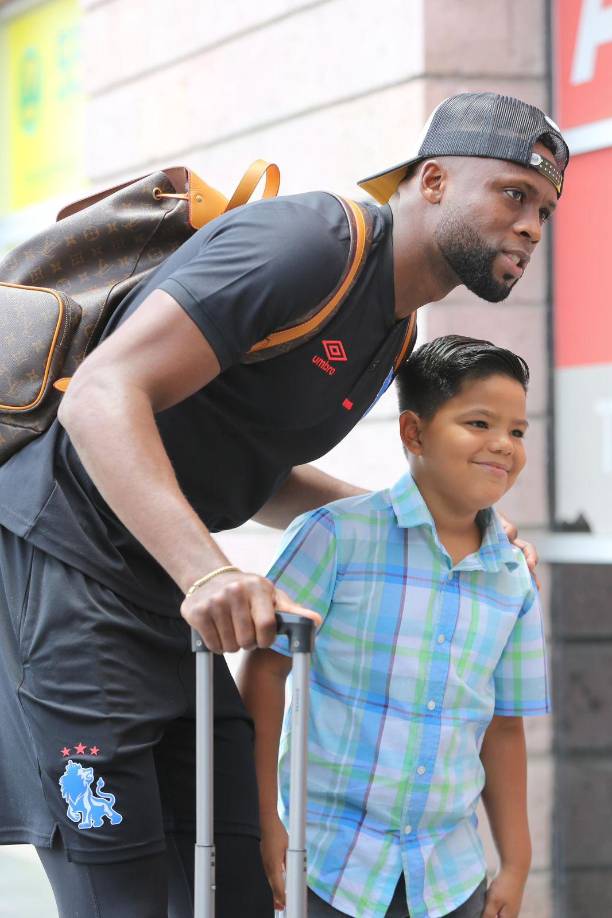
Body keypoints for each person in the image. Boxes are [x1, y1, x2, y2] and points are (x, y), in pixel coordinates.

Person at [0, 93, 566, 917]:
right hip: (65, 574)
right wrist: (209, 572)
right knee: (119, 896)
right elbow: (100, 394)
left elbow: (254, 466)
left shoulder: (394, 327)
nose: (531, 226)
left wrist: (428, 522)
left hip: (162, 597)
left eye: (546, 210)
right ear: (434, 180)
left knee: (240, 884)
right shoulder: (313, 243)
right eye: (514, 194)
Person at [240, 335, 550, 918]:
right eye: (479, 422)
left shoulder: (514, 578)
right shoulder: (333, 536)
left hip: (450, 879)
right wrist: (264, 822)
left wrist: (515, 861)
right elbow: (264, 674)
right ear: (413, 433)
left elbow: (504, 726)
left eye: (517, 431)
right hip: (328, 865)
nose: (502, 445)